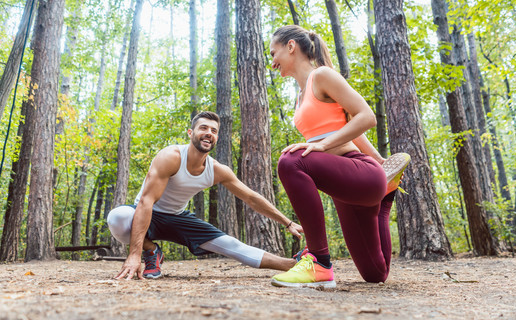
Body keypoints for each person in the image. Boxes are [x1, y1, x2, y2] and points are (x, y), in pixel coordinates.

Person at [268, 25, 410, 288]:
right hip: (346, 186)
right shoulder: (299, 98)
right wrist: (384, 164)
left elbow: (366, 117)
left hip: (359, 172)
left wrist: (324, 146)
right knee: (375, 274)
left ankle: (319, 263)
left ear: (290, 46)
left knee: (290, 160)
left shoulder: (321, 76)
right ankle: (385, 199)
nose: (272, 61)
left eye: (273, 52)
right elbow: (345, 127)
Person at [108, 111, 303, 280]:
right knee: (118, 217)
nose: (209, 133)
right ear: (191, 133)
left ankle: (292, 264)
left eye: (214, 130)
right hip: (147, 213)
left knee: (230, 244)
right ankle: (151, 250)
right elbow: (146, 201)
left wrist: (287, 222)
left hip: (178, 217)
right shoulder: (171, 157)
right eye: (203, 128)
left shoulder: (217, 170)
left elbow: (251, 198)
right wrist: (134, 254)